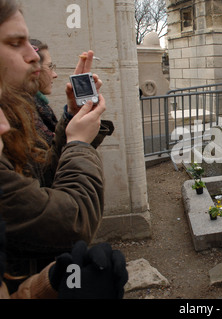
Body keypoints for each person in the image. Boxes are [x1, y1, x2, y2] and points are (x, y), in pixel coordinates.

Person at [0, 0, 110, 289]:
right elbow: (74, 221)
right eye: (15, 43)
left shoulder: (20, 113)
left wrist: (73, 117)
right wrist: (78, 145)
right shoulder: (16, 117)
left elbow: (42, 181)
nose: (33, 58)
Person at [29, 38, 58, 146]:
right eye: (50, 66)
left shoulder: (40, 108)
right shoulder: (28, 115)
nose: (55, 75)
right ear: (35, 70)